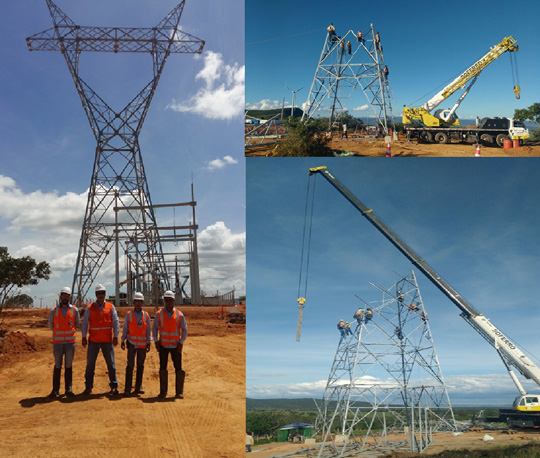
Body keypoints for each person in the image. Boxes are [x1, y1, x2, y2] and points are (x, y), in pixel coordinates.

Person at [81, 284, 120, 395]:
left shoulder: (110, 307)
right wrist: (83, 337)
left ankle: (114, 385)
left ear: (105, 294)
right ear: (96, 295)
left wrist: (116, 336)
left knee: (111, 364)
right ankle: (88, 387)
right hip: (93, 340)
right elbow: (84, 323)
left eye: (102, 293)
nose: (100, 295)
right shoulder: (90, 308)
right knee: (90, 365)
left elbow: (116, 322)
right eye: (99, 293)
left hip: (107, 340)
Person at [153, 290, 188, 399]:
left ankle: (179, 392)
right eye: (167, 300)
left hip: (175, 346)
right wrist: (156, 340)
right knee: (163, 368)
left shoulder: (179, 314)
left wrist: (181, 342)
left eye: (170, 300)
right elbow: (154, 328)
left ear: (173, 301)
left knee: (178, 369)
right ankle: (163, 392)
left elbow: (185, 329)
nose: (168, 302)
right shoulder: (159, 314)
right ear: (164, 300)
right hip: (163, 345)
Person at [48, 287, 80, 398]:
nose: (65, 297)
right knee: (57, 365)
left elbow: (77, 323)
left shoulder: (74, 310)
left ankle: (68, 389)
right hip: (58, 343)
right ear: (60, 296)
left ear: (70, 297)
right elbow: (51, 325)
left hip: (70, 343)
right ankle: (55, 390)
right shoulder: (54, 311)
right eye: (63, 295)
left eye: (67, 295)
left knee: (68, 365)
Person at [121, 292, 151, 396]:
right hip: (132, 343)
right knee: (130, 365)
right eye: (137, 302)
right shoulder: (129, 315)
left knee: (140, 365)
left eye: (140, 302)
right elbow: (125, 328)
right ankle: (127, 388)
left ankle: (138, 386)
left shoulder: (146, 315)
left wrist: (148, 342)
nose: (138, 304)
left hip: (142, 345)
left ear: (143, 303)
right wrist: (122, 340)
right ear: (133, 302)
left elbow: (148, 330)